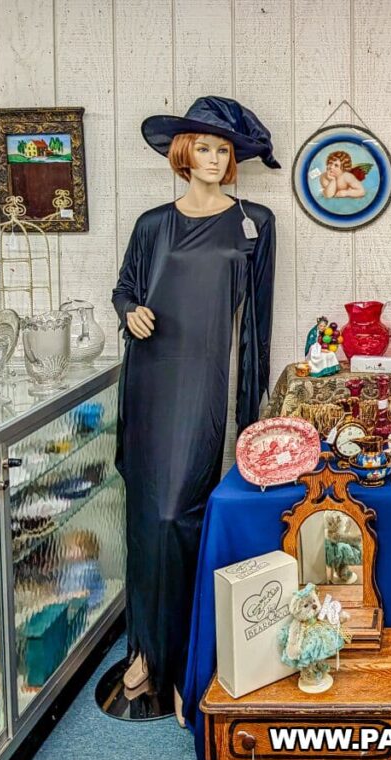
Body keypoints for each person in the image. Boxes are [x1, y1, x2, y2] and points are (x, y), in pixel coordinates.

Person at [111, 96, 279, 725]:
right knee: (146, 517)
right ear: (184, 155)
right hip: (151, 377)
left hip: (205, 383)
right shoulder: (153, 223)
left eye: (224, 150)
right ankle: (144, 651)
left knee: (177, 516)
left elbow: (256, 322)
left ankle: (184, 661)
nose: (214, 159)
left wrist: (249, 408)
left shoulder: (254, 222)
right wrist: (129, 312)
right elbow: (125, 285)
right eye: (204, 148)